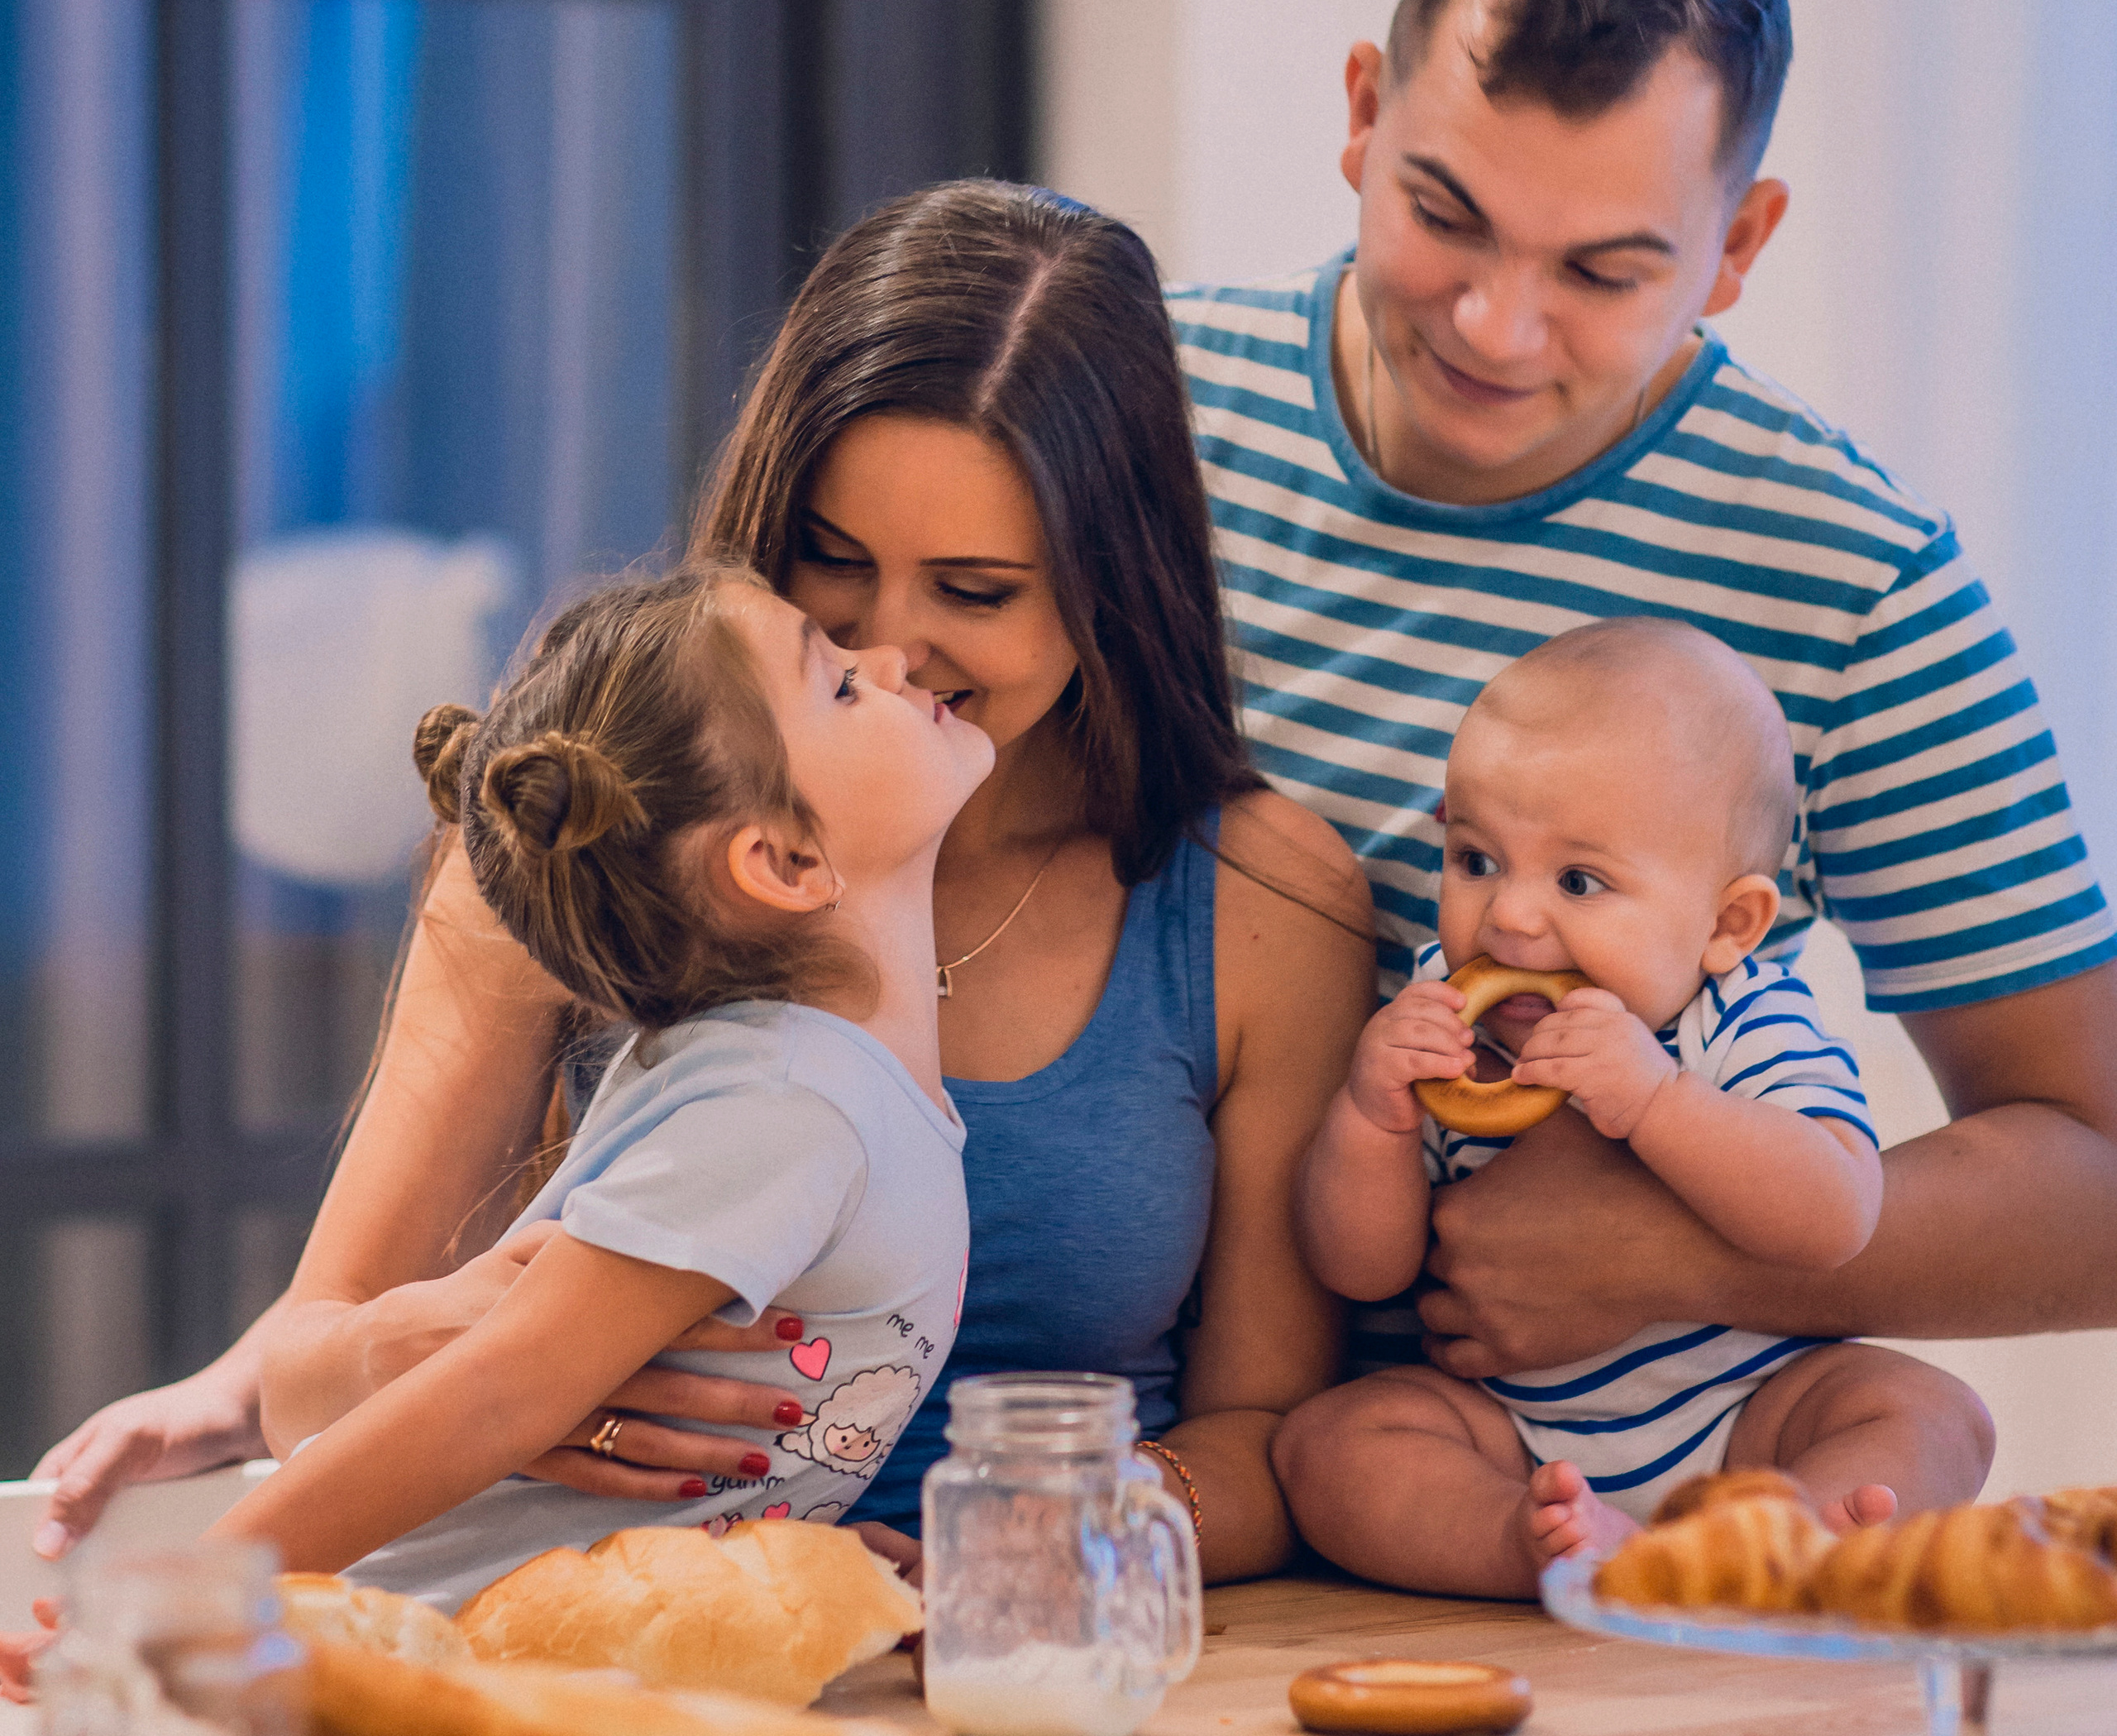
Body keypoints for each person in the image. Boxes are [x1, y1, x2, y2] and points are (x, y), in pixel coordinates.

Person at [37, 187, 1369, 1585]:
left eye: (976, 591)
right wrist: (472, 1365)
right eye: (835, 569)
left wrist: (1013, 1545)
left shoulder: (1257, 901)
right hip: (596, 1637)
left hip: (1033, 1637)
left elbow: (1269, 1443)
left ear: (1118, 583)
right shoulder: (606, 819)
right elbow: (316, 1368)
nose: (898, 648)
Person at [1173, 0, 2117, 1468]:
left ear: (1735, 244)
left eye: (1601, 272)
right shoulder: (1138, 415)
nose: (1492, 324)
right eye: (1441, 215)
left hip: (1605, 1475)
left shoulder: (1852, 584)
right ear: (1356, 115)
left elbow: (2093, 1176)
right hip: (1130, 1440)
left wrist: (1670, 1249)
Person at [213, 560, 984, 1603]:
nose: (892, 658)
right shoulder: (783, 1107)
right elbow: (494, 1396)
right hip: (441, 1659)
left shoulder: (803, 1086)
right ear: (786, 862)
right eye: (842, 683)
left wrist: (781, 1560)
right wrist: (183, 1597)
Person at [1281, 619, 1993, 1598]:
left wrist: (1657, 1101)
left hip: (1750, 1410)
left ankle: (1788, 1536)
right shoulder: (1446, 1020)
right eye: (1477, 860)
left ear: (1726, 925)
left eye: (1578, 880)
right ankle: (1534, 1544)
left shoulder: (1741, 1020)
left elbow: (1835, 1217)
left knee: (1928, 1411)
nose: (1510, 917)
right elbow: (1361, 1269)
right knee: (1333, 1443)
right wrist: (1371, 1117)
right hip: (1515, 1431)